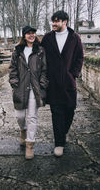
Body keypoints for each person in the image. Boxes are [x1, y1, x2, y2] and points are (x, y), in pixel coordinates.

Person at [40, 11, 84, 157]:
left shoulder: (74, 38)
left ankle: (62, 132)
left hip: (68, 82)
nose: (53, 23)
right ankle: (59, 143)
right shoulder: (47, 38)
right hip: (52, 83)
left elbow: (79, 58)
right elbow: (40, 56)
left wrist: (73, 74)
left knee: (70, 110)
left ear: (65, 22)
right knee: (56, 113)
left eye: (56, 21)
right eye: (52, 21)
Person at [9, 25, 48, 160]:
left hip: (35, 88)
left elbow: (44, 69)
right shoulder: (17, 51)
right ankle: (23, 130)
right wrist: (14, 82)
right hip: (20, 87)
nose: (31, 35)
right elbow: (12, 68)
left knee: (32, 117)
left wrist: (42, 84)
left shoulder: (40, 50)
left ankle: (30, 145)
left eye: (33, 33)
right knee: (20, 116)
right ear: (24, 36)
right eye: (28, 33)